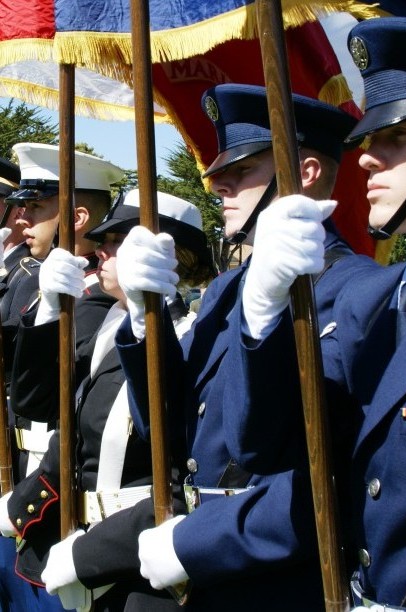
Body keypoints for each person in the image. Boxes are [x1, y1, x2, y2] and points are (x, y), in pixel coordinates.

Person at [36, 88, 379, 611]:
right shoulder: (225, 291)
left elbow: (311, 467)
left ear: (305, 173)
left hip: (276, 580)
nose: (218, 184)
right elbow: (166, 429)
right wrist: (142, 318)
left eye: (243, 170)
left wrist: (194, 543)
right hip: (194, 572)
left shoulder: (357, 291)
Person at [197, 18, 406, 611]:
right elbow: (266, 448)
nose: (365, 161)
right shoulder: (381, 305)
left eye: (397, 137)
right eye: (368, 140)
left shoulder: (362, 291)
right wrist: (262, 315)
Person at [0, 190, 215, 611]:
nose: (101, 250)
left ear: (167, 253)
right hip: (74, 543)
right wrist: (46, 313)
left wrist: (89, 555)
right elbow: (38, 406)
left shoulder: (194, 333)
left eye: (118, 241)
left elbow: (175, 464)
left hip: (139, 568)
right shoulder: (109, 323)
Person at [0, 144, 123, 612]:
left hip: (59, 498)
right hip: (26, 476)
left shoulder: (96, 301)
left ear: (77, 217)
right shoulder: (41, 287)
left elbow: (46, 401)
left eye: (36, 207)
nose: (22, 219)